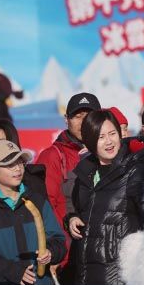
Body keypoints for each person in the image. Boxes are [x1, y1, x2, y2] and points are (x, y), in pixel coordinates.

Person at [0, 140, 66, 285]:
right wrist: (12, 271)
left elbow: (59, 240)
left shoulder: (38, 202)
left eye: (20, 162)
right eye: (10, 164)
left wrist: (51, 252)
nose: (18, 168)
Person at [67, 110, 144, 285]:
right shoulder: (84, 175)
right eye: (101, 137)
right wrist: (71, 218)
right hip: (85, 277)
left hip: (119, 279)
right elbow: (84, 212)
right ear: (90, 141)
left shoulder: (135, 172)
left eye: (112, 134)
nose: (109, 141)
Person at [36, 92, 101, 232]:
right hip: (69, 240)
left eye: (89, 116)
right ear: (66, 119)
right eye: (78, 116)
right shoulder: (52, 156)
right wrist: (64, 237)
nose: (84, 122)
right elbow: (45, 206)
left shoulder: (109, 153)